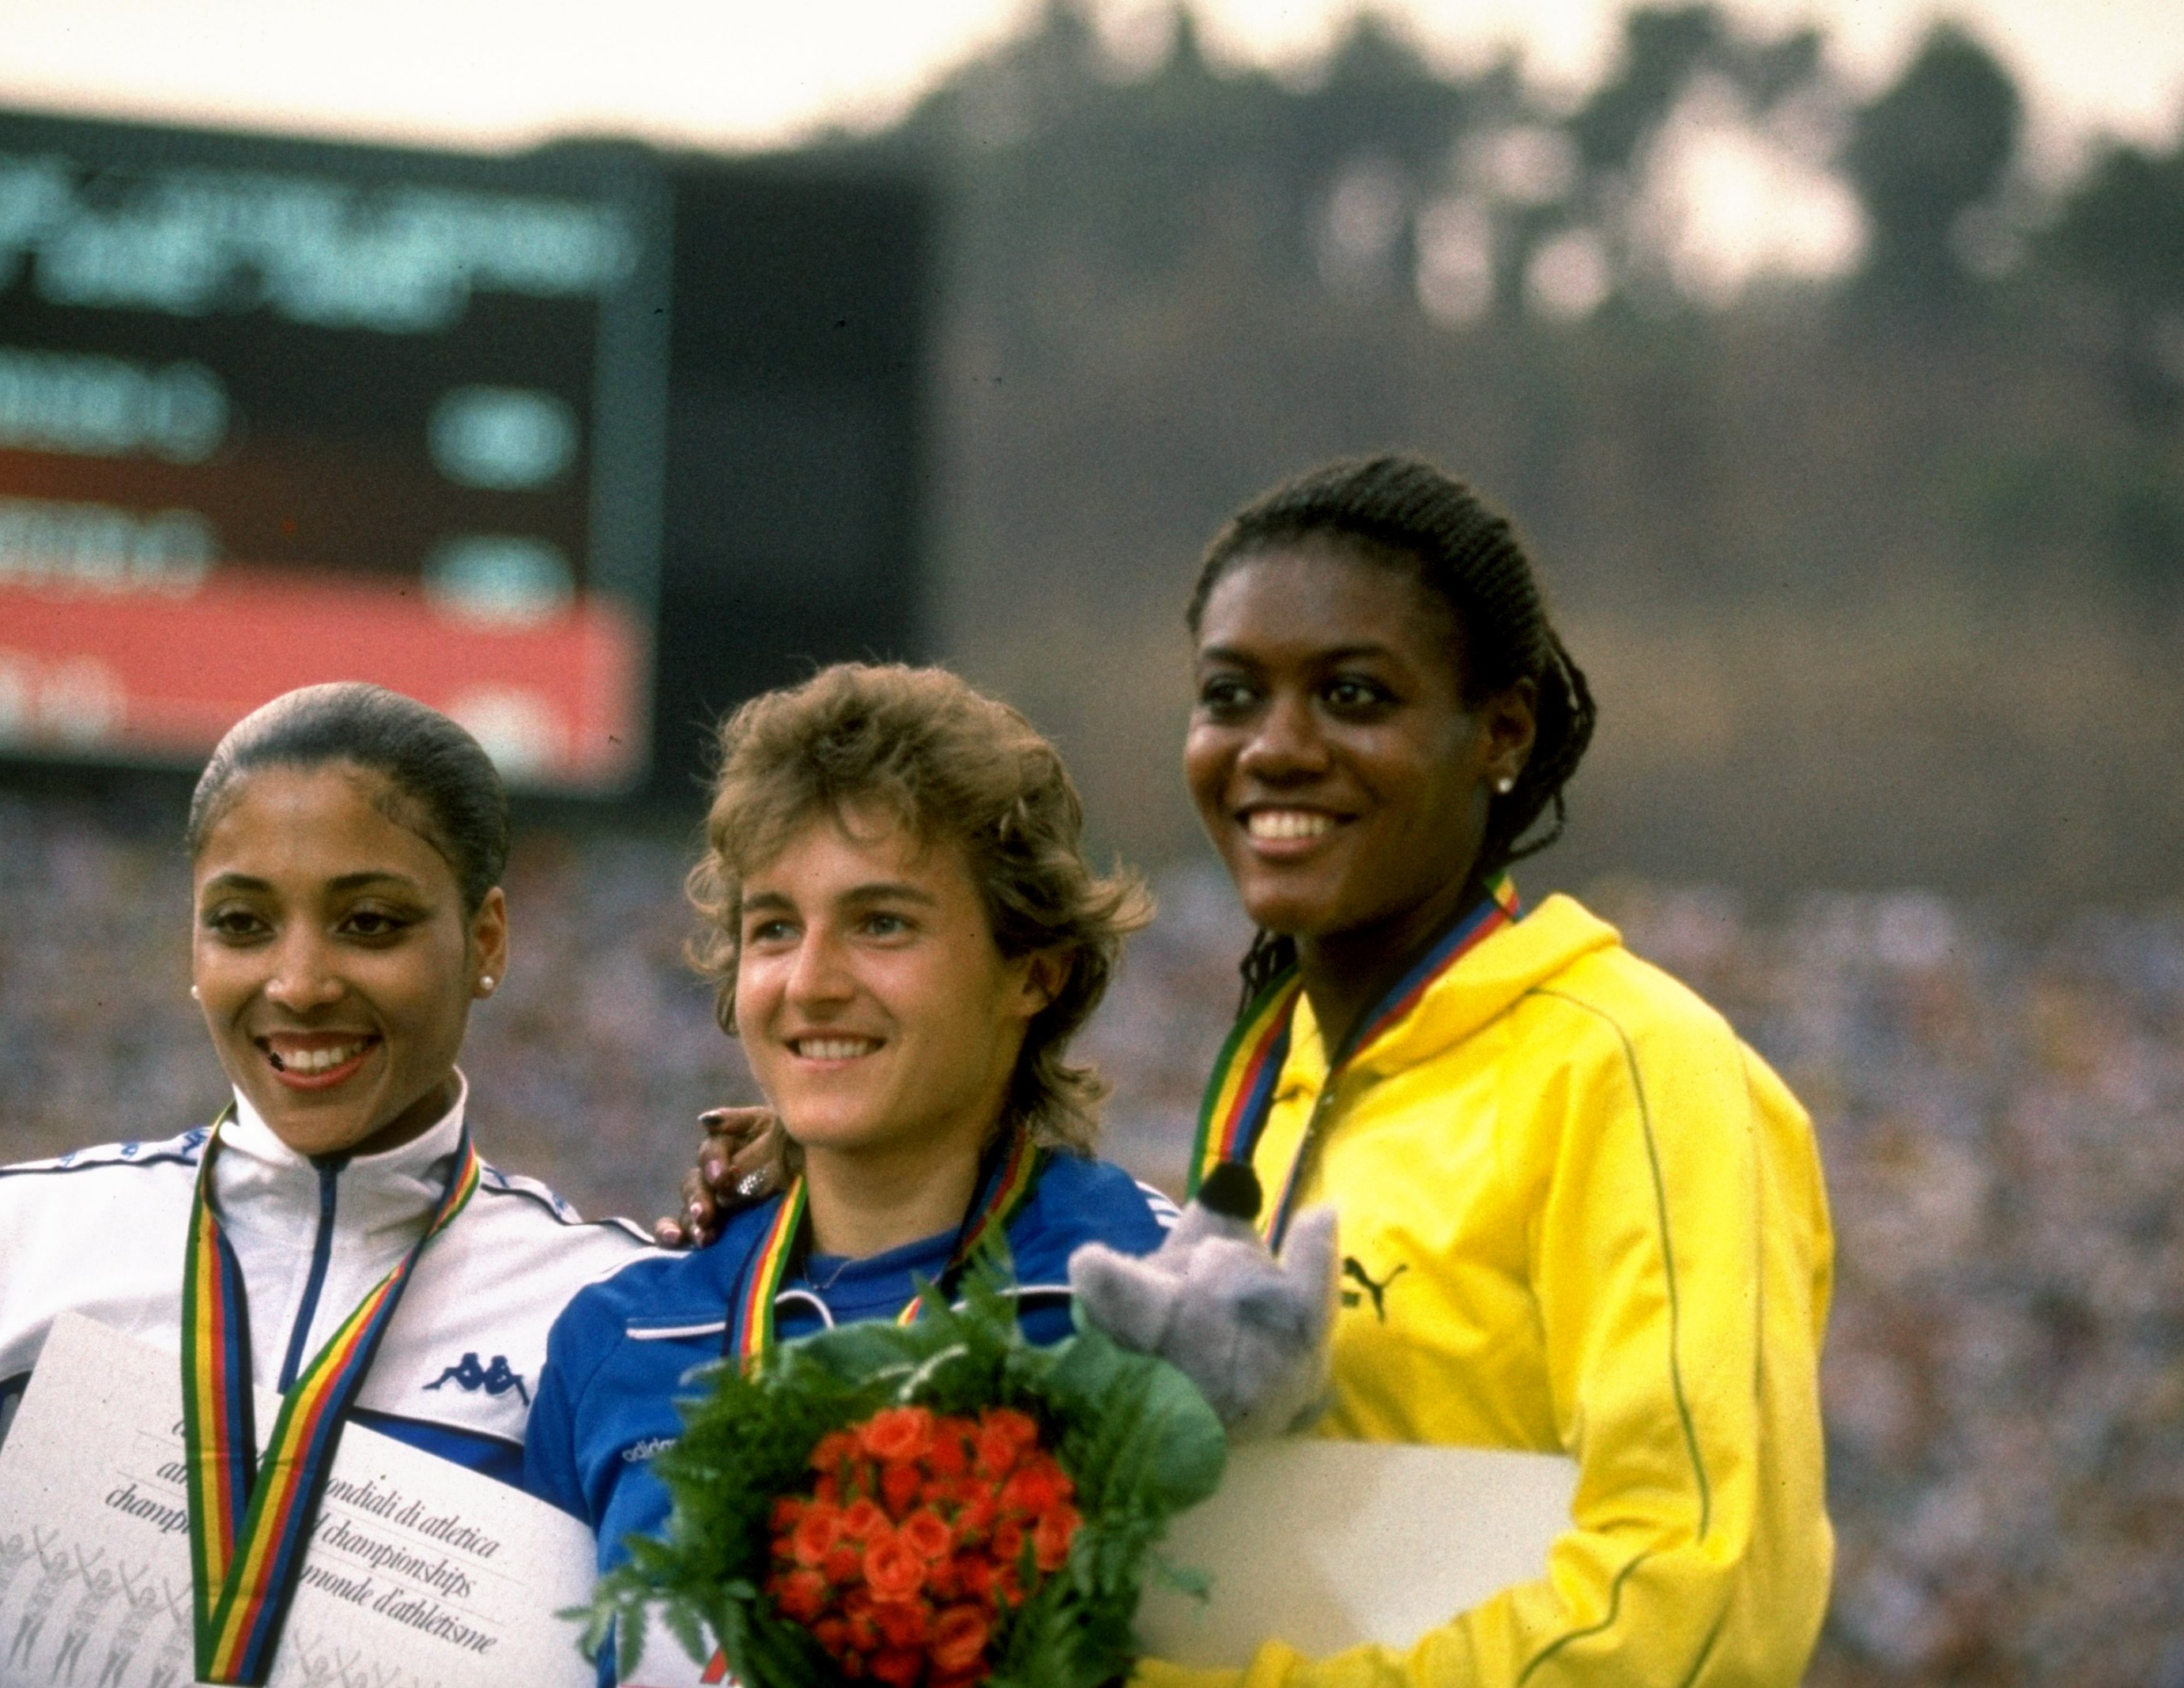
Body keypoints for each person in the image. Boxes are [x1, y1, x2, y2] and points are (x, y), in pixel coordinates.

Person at [683, 458, 1835, 1687]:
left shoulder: (1634, 1070)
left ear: (1501, 730)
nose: (1275, 749)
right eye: (1231, 695)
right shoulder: (1281, 1092)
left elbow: (1699, 1598)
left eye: (1351, 695)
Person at [0, 684, 644, 1652]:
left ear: (486, 941)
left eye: (372, 922)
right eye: (242, 923)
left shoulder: (616, 1308)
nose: (298, 984)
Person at [522, 663, 1175, 1682]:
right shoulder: (619, 1336)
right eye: (774, 927)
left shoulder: (1142, 1291)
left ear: (1033, 971)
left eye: (881, 923)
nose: (812, 984)